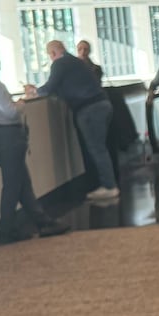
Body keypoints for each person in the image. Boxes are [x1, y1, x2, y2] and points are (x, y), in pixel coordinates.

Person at [0, 47, 70, 243]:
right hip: (8, 136)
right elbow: (10, 112)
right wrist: (21, 103)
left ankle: (43, 222)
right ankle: (6, 232)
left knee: (22, 183)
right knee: (13, 185)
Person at [24, 40, 118, 200]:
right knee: (100, 148)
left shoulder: (59, 64)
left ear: (53, 53)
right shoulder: (76, 62)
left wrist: (34, 91)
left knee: (97, 149)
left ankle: (109, 186)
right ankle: (109, 183)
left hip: (88, 109)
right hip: (102, 104)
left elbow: (50, 87)